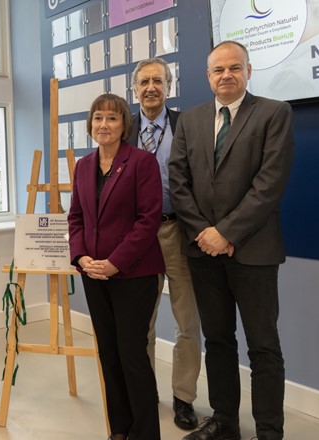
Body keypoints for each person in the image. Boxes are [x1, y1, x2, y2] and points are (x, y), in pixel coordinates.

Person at [170, 40, 294, 440]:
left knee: (263, 348)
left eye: (234, 68)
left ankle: (268, 432)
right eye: (218, 70)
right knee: (218, 342)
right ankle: (225, 424)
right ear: (208, 76)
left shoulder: (274, 114)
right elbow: (178, 180)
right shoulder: (190, 121)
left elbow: (269, 183)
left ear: (248, 71)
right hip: (204, 253)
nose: (226, 75)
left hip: (253, 252)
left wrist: (226, 232)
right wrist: (206, 234)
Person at [68, 93, 164, 440]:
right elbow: (76, 217)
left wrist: (114, 263)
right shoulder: (83, 166)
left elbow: (148, 221)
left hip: (134, 275)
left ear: (124, 124)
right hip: (93, 275)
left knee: (132, 355)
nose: (103, 125)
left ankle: (146, 433)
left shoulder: (141, 162)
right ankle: (120, 429)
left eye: (111, 118)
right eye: (97, 118)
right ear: (90, 124)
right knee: (108, 353)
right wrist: (80, 257)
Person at [129, 57, 201, 431]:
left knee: (188, 322)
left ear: (168, 87)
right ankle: (145, 391)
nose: (151, 87)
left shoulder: (185, 125)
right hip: (137, 236)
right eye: (144, 81)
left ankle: (184, 397)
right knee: (141, 321)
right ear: (135, 89)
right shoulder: (124, 128)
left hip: (178, 232)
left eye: (158, 80)